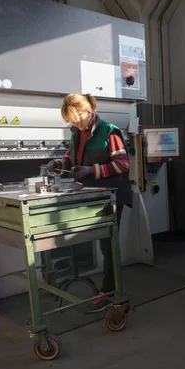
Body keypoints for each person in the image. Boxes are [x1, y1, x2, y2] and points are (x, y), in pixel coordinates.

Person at [46, 93, 132, 313]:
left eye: (76, 118)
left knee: (108, 245)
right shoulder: (78, 133)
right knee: (100, 242)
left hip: (110, 197)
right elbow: (71, 156)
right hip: (90, 196)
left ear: (89, 111)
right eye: (71, 121)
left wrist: (91, 170)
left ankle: (111, 292)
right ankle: (109, 288)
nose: (75, 123)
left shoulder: (109, 132)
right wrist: (59, 162)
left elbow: (122, 165)